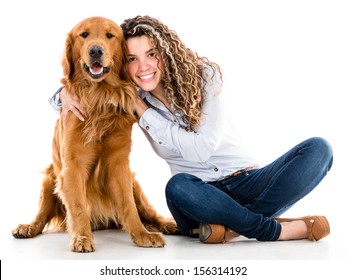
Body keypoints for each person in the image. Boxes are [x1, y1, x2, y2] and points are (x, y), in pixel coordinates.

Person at [50, 15, 333, 244]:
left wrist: (142, 109)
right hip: (196, 197)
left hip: (246, 180)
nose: (144, 65)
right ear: (124, 62)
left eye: (151, 54)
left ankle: (232, 229)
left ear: (166, 52)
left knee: (319, 149)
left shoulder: (203, 78)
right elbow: (89, 85)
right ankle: (273, 230)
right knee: (178, 186)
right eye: (133, 58)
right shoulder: (130, 96)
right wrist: (60, 95)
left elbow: (200, 149)